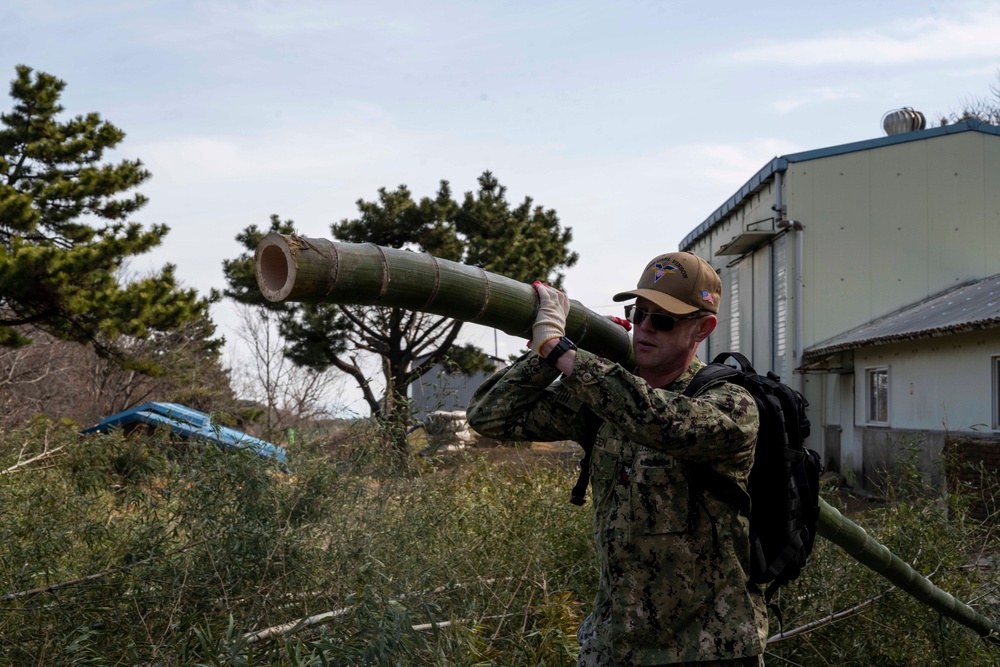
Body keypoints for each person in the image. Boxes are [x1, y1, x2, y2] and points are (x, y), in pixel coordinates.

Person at [466, 251, 767, 666]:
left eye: (663, 320)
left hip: (707, 646)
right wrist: (544, 354)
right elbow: (490, 415)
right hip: (614, 643)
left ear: (703, 327)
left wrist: (562, 350)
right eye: (638, 313)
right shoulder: (601, 401)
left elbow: (660, 421)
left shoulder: (730, 403)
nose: (644, 328)